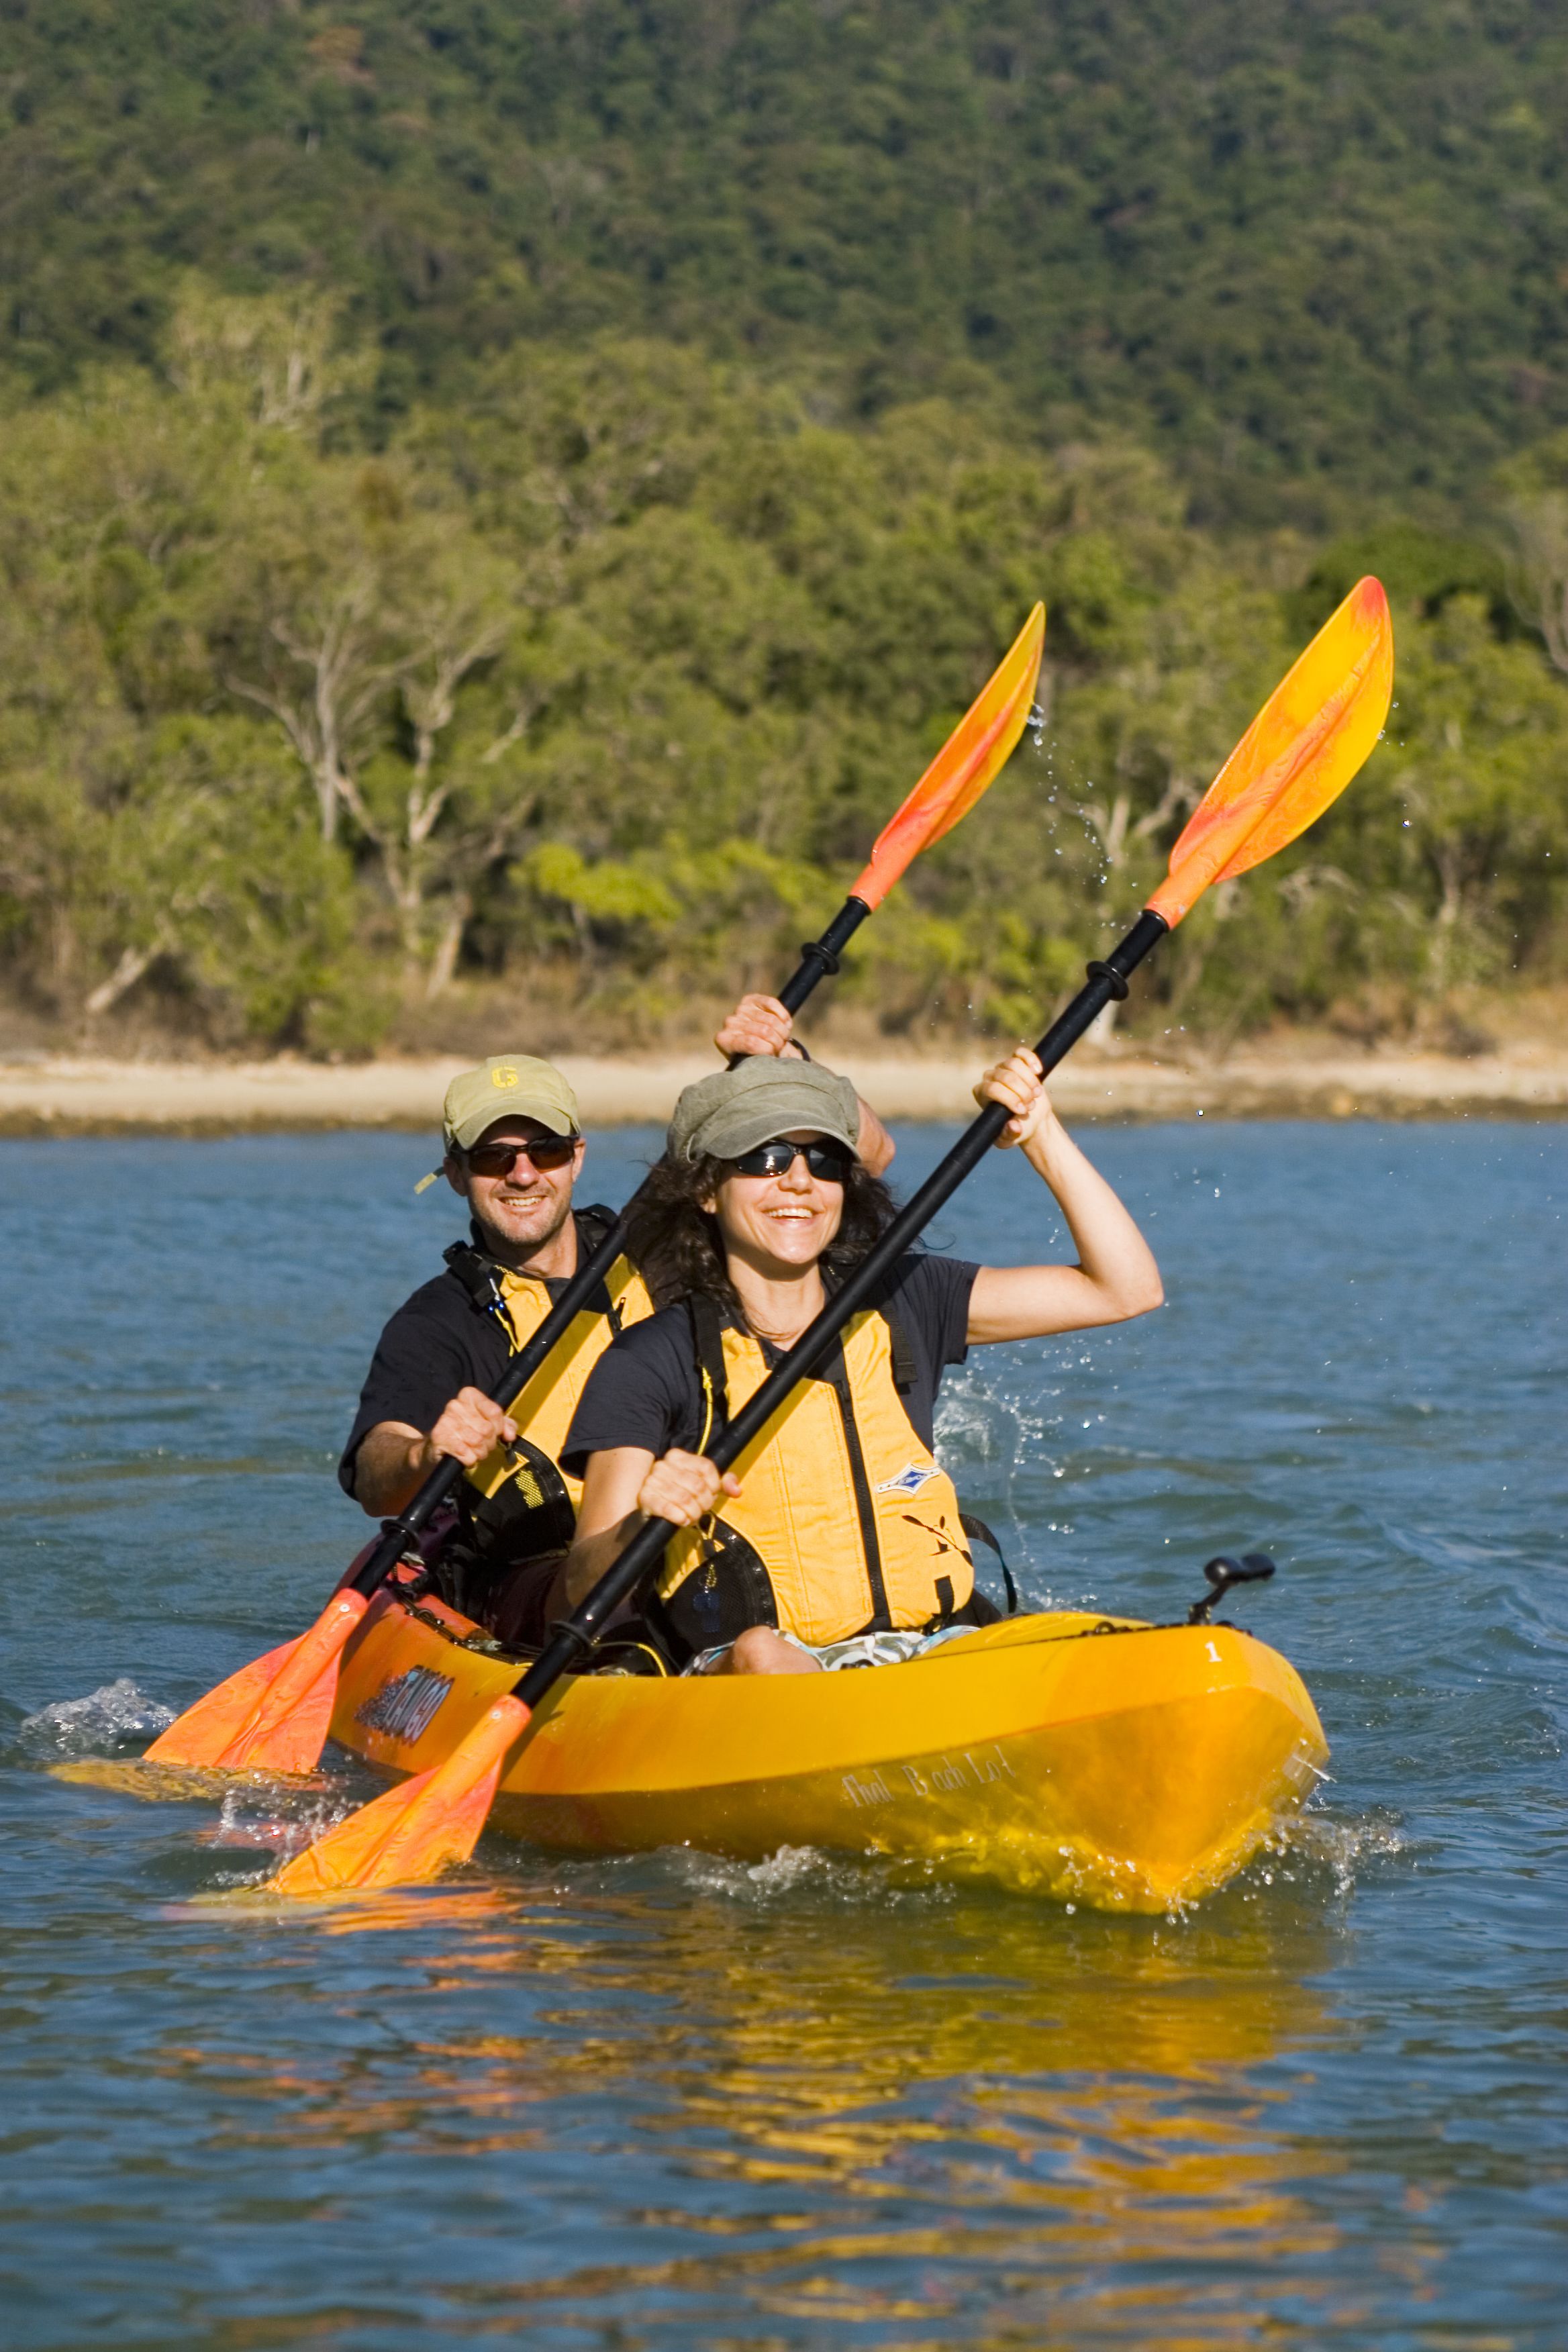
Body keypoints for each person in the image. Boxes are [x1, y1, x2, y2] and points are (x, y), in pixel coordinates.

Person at [558, 1048, 1164, 1673]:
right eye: (764, 1158)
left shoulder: (905, 1298)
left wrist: (1040, 1135)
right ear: (708, 1190)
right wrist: (642, 1521)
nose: (799, 1182)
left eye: (823, 1162)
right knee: (762, 1652)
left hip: (929, 1650)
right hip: (758, 1674)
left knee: (1097, 1638)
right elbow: (582, 1584)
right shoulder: (650, 1357)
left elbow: (1126, 1289)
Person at [340, 999, 893, 1646]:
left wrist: (787, 1065)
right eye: (494, 1158)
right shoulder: (437, 1321)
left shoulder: (651, 1239)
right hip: (542, 1577)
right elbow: (376, 1478)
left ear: (576, 1157)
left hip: (704, 1529)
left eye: (545, 1151)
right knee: (624, 1607)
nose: (524, 1174)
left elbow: (872, 1158)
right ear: (458, 1174)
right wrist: (426, 1452)